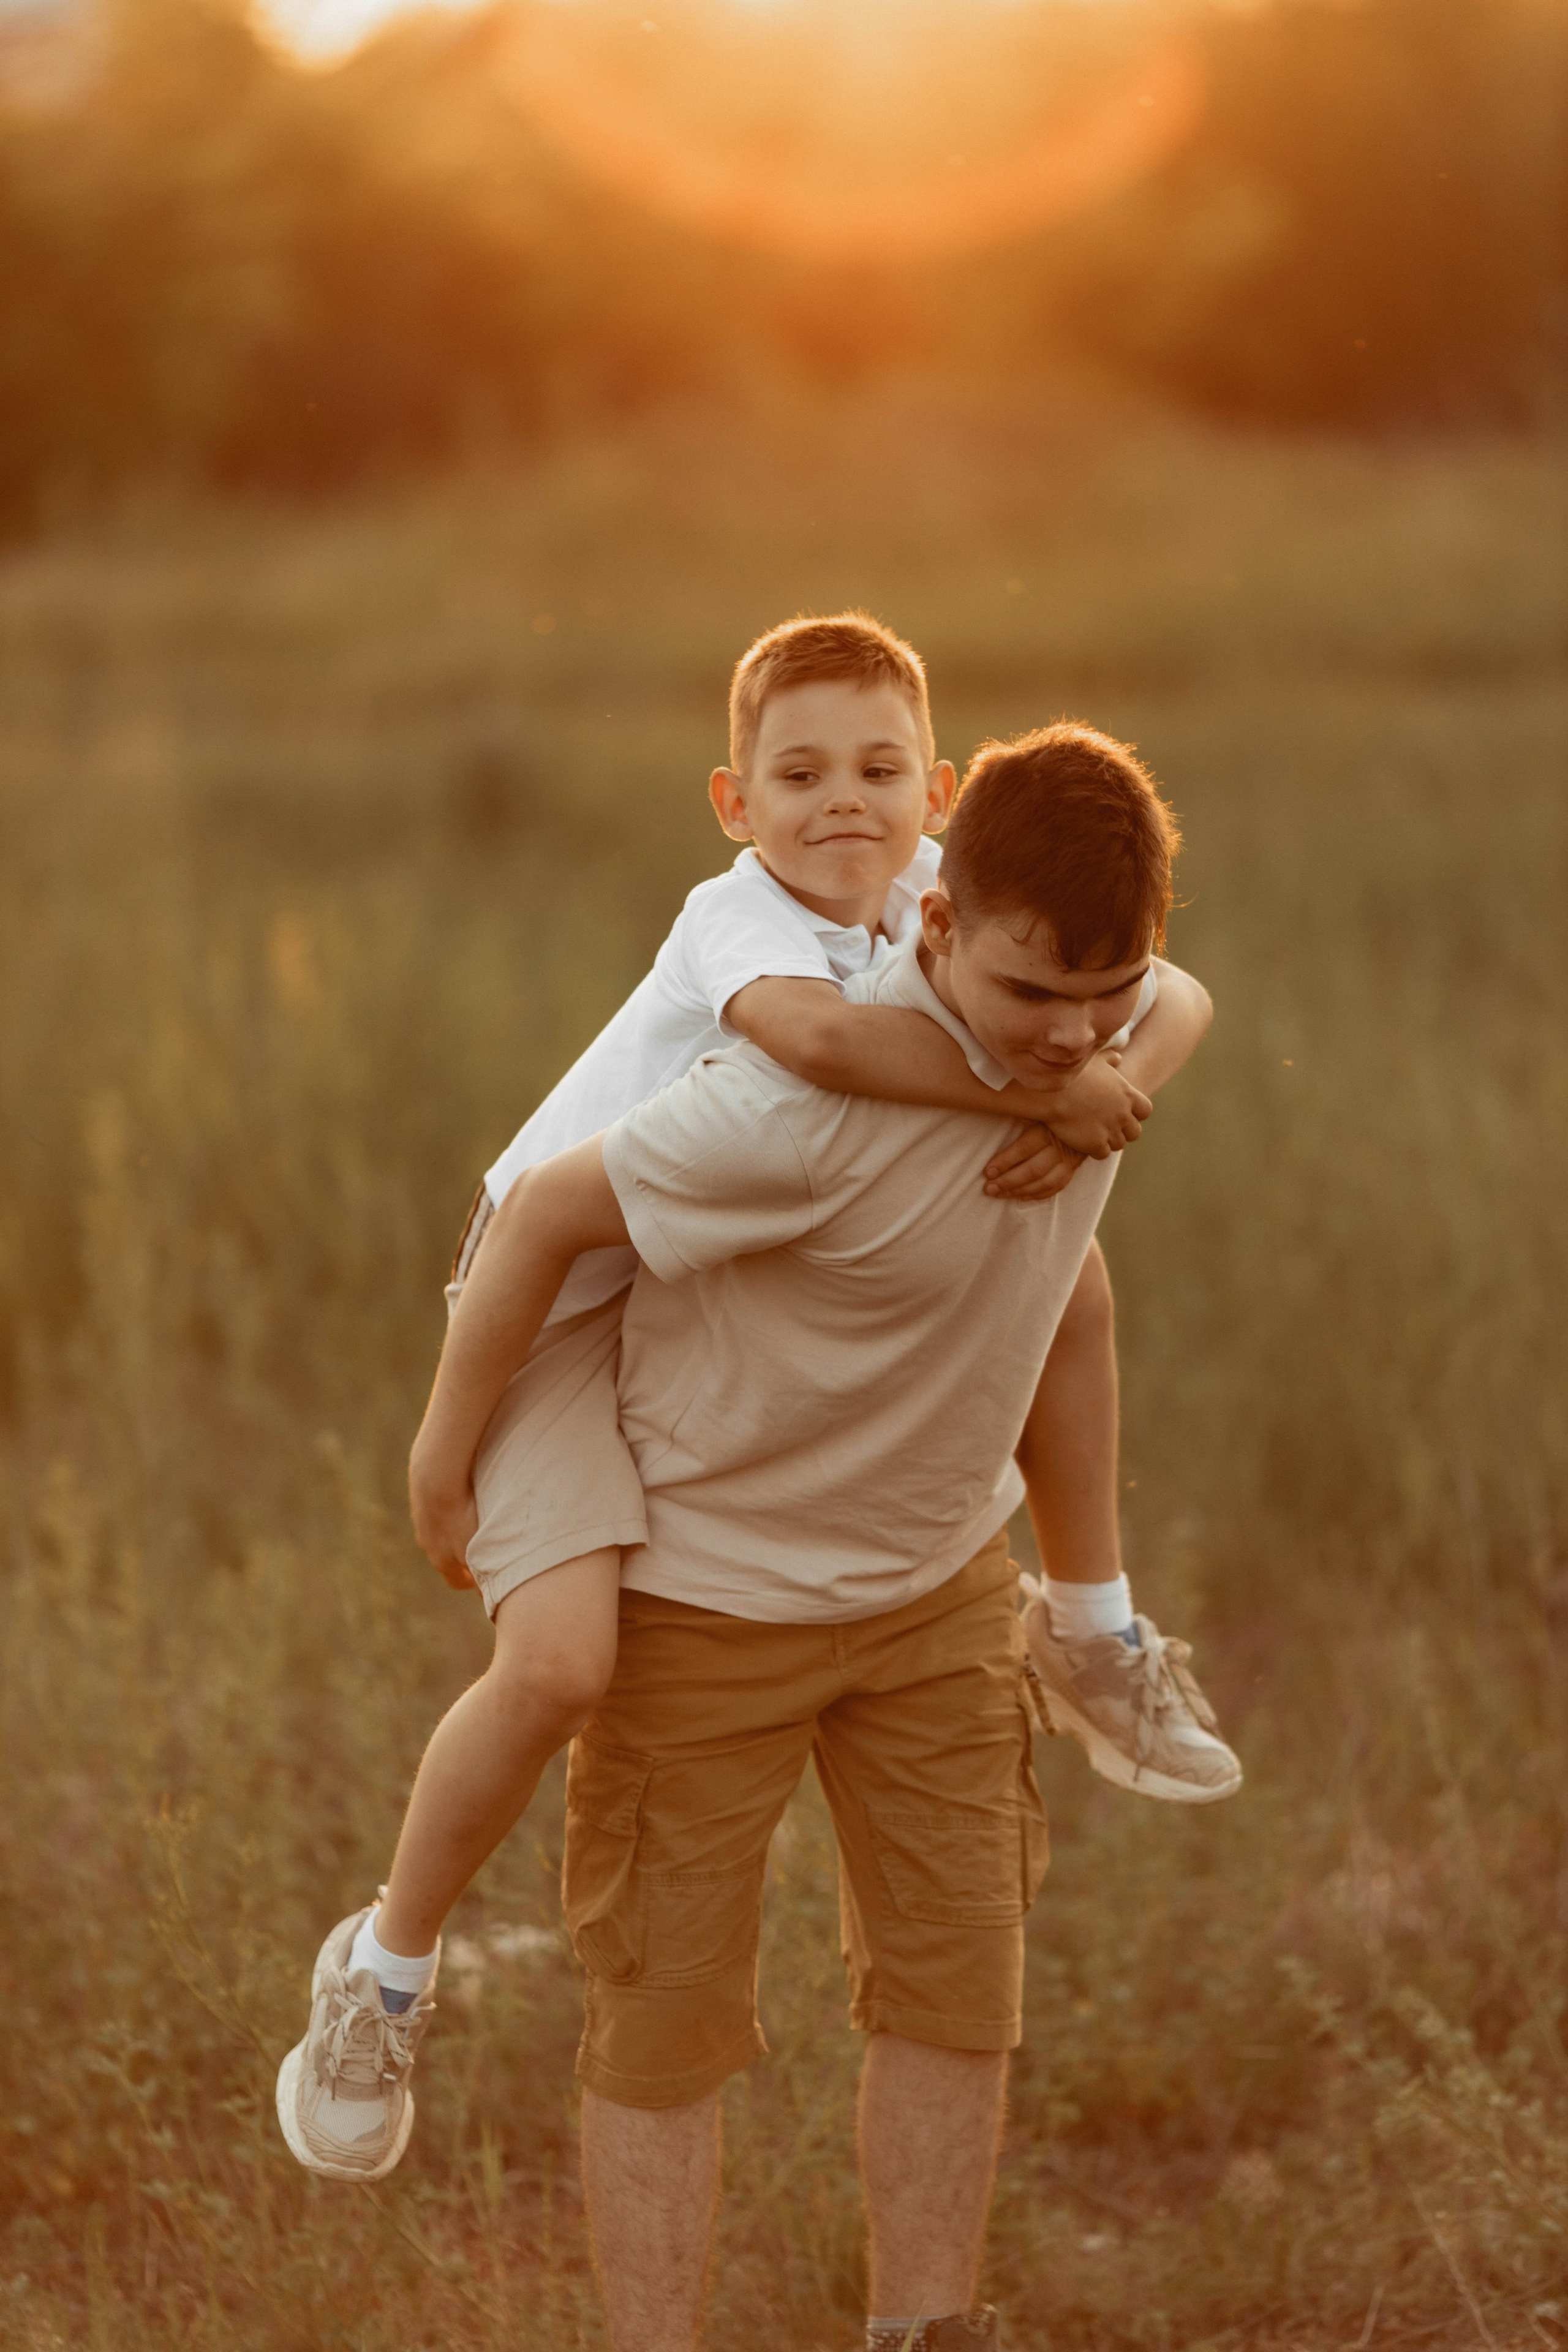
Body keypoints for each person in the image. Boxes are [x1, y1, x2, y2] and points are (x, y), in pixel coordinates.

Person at [276, 622, 1237, 2204]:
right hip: (544, 1306)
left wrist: (1107, 1078)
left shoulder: (947, 914)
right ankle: (385, 1966)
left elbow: (1175, 994)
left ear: (934, 801)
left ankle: (1092, 1623)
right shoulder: (741, 928)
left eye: (876, 771)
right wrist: (442, 1457)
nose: (838, 804)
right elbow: (809, 1050)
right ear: (734, 801)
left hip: (674, 1284)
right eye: (796, 775)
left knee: (1073, 1284)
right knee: (564, 1662)